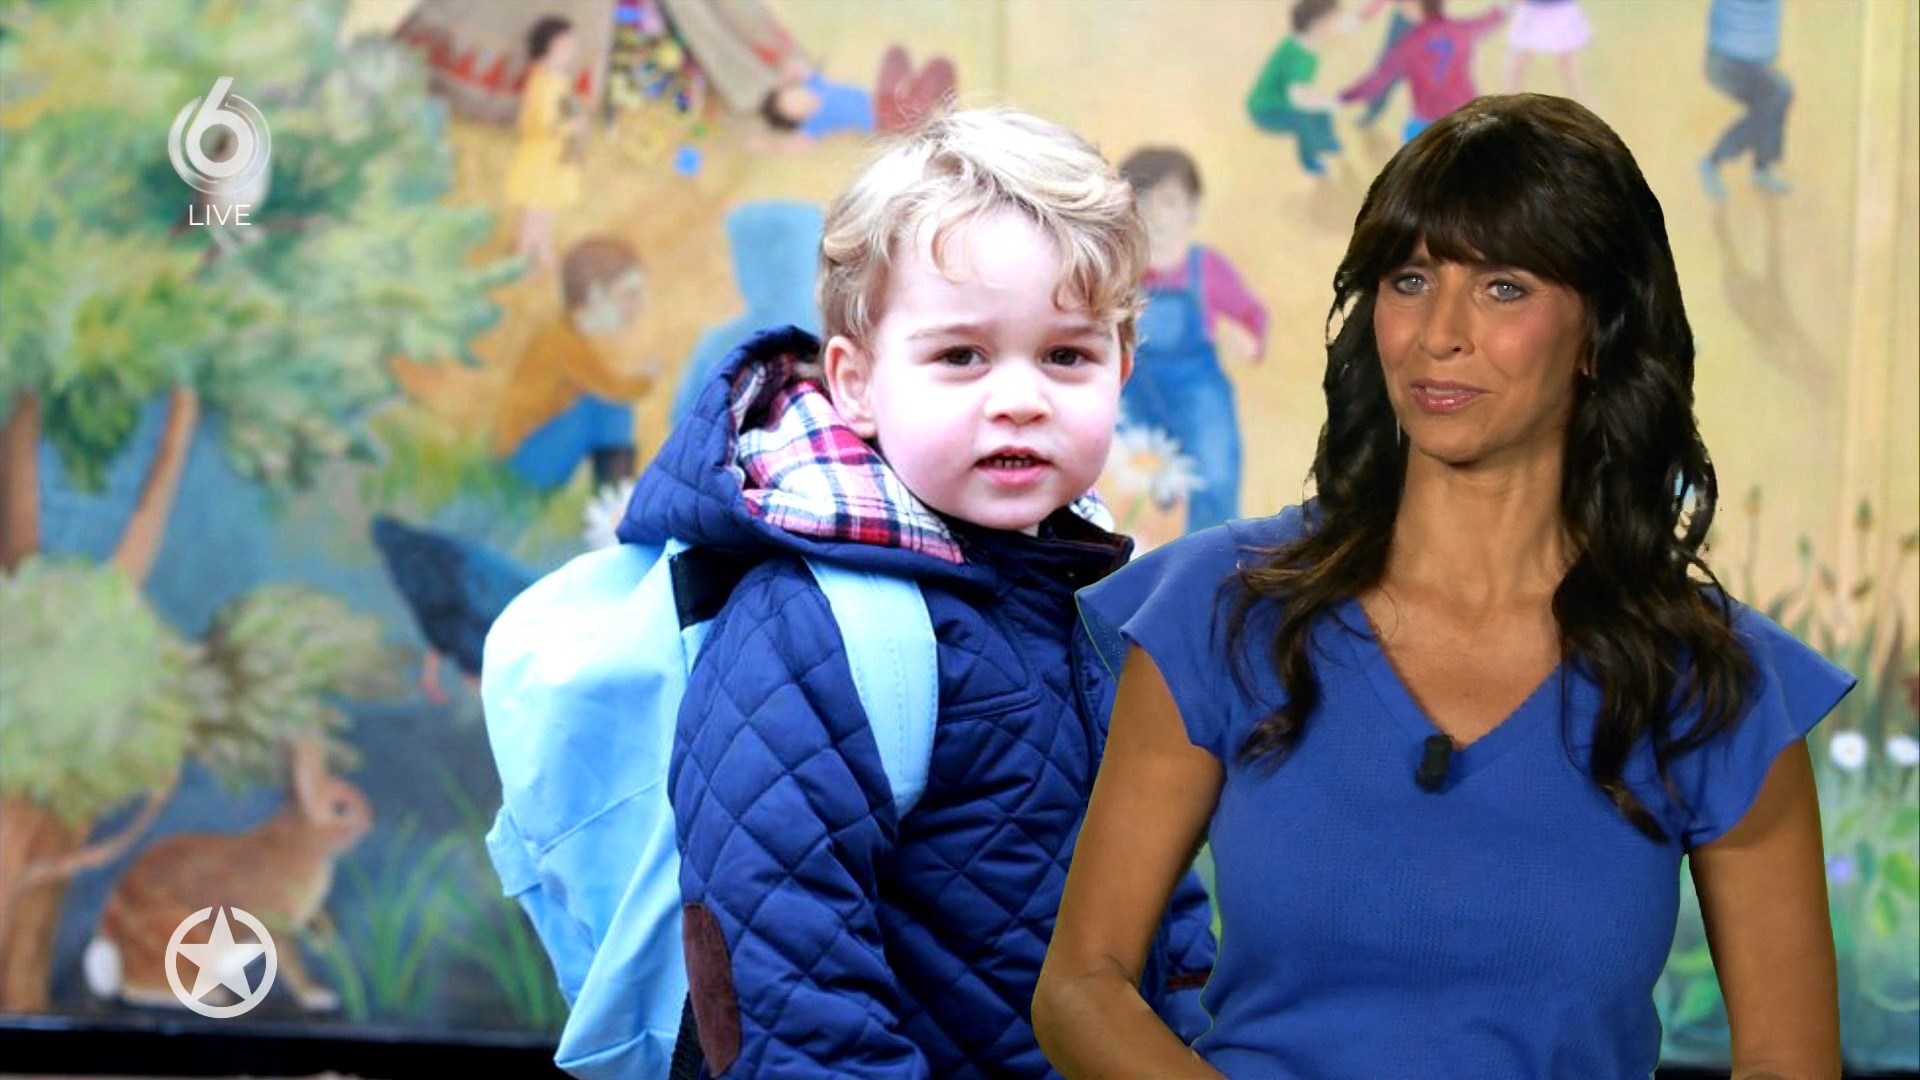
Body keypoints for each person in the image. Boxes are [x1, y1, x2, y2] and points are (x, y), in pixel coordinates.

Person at [1033, 93, 1854, 1079]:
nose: (1439, 334)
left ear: (1599, 331)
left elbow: (1788, 1063)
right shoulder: (1223, 605)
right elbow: (1082, 986)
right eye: (1411, 279)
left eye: (1504, 287)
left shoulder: (1719, 683)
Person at [615, 106, 1217, 1077]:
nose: (1018, 399)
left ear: (1122, 367)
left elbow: (1162, 899)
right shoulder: (814, 627)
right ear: (856, 382)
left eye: (1066, 355)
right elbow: (790, 985)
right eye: (960, 356)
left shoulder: (1094, 599)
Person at [1117, 147, 1269, 536]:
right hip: (1134, 389)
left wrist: (1247, 340)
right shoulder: (1119, 269)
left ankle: (1210, 556)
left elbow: (1251, 314)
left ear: (1192, 209)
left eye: (1168, 202)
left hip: (1198, 393)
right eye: (1142, 201)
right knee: (1122, 477)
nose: (1156, 215)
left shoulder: (1207, 269)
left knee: (1215, 474)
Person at [492, 235, 656, 493]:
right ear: (595, 293)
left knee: (607, 404)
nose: (637, 307)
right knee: (610, 405)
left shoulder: (567, 336)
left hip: (526, 458)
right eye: (628, 295)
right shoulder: (562, 342)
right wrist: (646, 379)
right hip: (520, 466)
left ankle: (615, 501)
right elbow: (613, 388)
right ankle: (615, 503)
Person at [1339, 0, 1507, 143]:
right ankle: (1373, 110)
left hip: (1428, 117)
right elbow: (1491, 19)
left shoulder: (1411, 42)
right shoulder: (1460, 30)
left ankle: (1373, 111)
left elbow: (1382, 75)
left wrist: (1343, 98)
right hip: (1462, 112)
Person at [503, 15, 587, 273]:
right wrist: (571, 126)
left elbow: (563, 106)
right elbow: (542, 122)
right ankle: (522, 258)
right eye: (566, 43)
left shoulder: (558, 76)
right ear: (550, 47)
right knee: (534, 210)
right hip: (540, 155)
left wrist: (575, 119)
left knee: (547, 205)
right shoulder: (542, 79)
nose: (572, 48)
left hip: (553, 155)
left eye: (572, 43)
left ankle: (543, 250)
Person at [1699, 0, 1794, 201]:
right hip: (1729, 61)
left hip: (1748, 62)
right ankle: (1714, 162)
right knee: (1775, 99)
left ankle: (1760, 168)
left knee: (1775, 99)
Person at [1245, 0, 1349, 176]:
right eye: (1334, 20)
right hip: (1267, 111)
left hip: (1282, 98)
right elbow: (1297, 98)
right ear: (1318, 26)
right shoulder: (1302, 59)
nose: (1338, 25)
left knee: (1322, 112)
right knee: (1307, 122)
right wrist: (1327, 103)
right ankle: (1310, 160)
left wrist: (1322, 101)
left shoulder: (1302, 41)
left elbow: (1300, 88)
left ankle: (1327, 142)